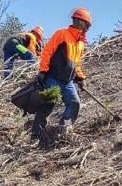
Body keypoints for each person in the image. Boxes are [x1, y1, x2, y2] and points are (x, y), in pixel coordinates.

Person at [31, 8, 91, 141]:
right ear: (79, 22)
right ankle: (36, 134)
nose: (87, 28)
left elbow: (77, 64)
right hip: (53, 77)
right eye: (86, 24)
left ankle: (63, 130)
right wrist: (43, 71)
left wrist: (81, 77)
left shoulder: (80, 44)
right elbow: (47, 52)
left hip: (67, 81)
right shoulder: (62, 34)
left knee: (74, 103)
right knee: (48, 104)